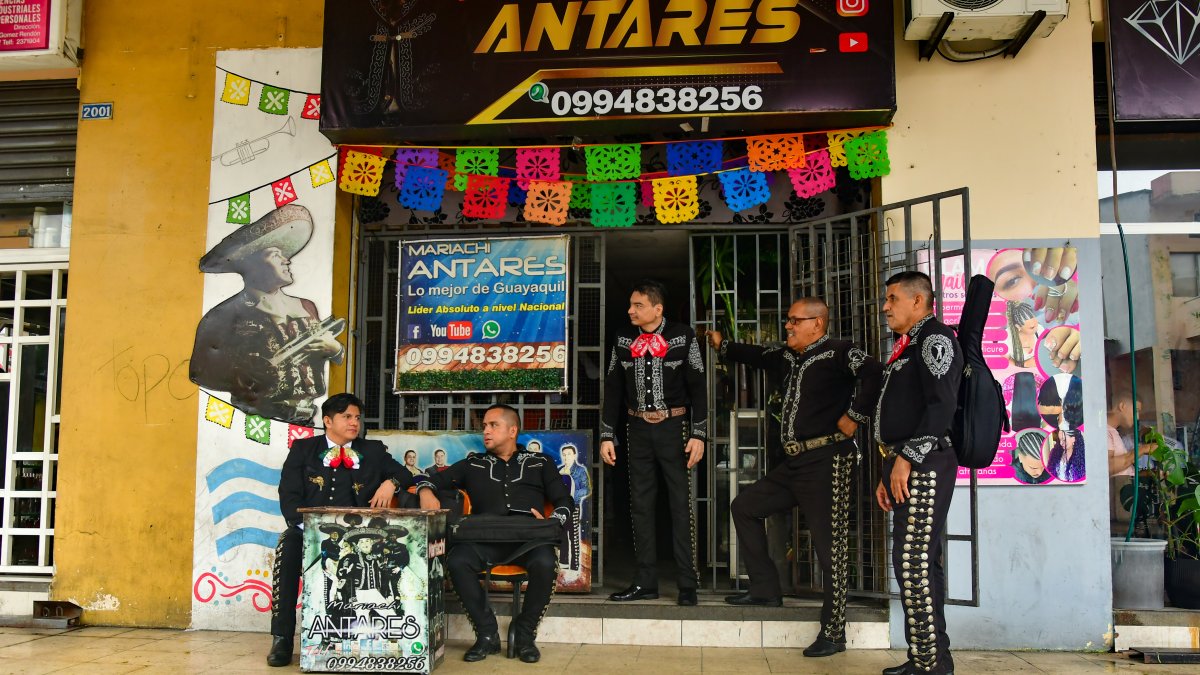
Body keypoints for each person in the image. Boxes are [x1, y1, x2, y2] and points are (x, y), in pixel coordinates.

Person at [706, 297, 882, 658]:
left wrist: (855, 416)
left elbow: (876, 373)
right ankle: (766, 589)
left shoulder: (839, 352)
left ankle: (833, 633)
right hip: (795, 465)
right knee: (745, 507)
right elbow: (756, 355)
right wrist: (723, 345)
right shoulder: (788, 357)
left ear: (817, 323)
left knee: (828, 546)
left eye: (794, 321)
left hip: (828, 460)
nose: (788, 326)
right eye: (787, 320)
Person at [267, 392, 429, 668]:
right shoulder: (303, 450)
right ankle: (282, 638)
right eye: (347, 417)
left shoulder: (373, 451)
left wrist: (390, 483)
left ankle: (381, 633)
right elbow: (289, 494)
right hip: (309, 530)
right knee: (289, 547)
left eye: (357, 417)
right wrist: (304, 527)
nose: (354, 422)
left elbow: (405, 473)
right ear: (328, 421)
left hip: (360, 537)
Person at [416, 404, 572, 664]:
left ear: (512, 430)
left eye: (493, 425)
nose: (485, 431)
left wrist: (549, 522)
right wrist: (425, 491)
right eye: (484, 426)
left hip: (529, 541)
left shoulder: (540, 462)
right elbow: (430, 479)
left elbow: (564, 501)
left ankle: (524, 634)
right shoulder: (473, 463)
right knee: (457, 561)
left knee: (545, 562)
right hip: (482, 539)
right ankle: (486, 634)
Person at [874, 271, 962, 675]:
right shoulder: (910, 344)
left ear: (918, 301)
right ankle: (929, 659)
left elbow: (940, 407)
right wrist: (891, 466)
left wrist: (907, 459)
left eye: (893, 298)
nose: (886, 306)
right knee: (918, 561)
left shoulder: (935, 339)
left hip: (925, 462)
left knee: (913, 561)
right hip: (908, 462)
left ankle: (929, 663)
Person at [600, 279, 706, 606]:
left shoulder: (683, 335)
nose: (630, 310)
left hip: (676, 428)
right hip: (636, 429)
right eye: (630, 305)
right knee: (640, 505)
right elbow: (613, 389)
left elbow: (699, 388)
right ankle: (645, 581)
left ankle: (687, 583)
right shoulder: (621, 339)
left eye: (638, 305)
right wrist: (606, 434)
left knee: (680, 504)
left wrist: (699, 433)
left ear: (657, 309)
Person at [191, 204, 345, 425]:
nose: (287, 260)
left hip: (306, 417)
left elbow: (328, 353)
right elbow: (199, 372)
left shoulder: (306, 307)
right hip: (256, 418)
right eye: (276, 255)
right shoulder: (223, 315)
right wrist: (243, 375)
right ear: (254, 264)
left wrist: (335, 349)